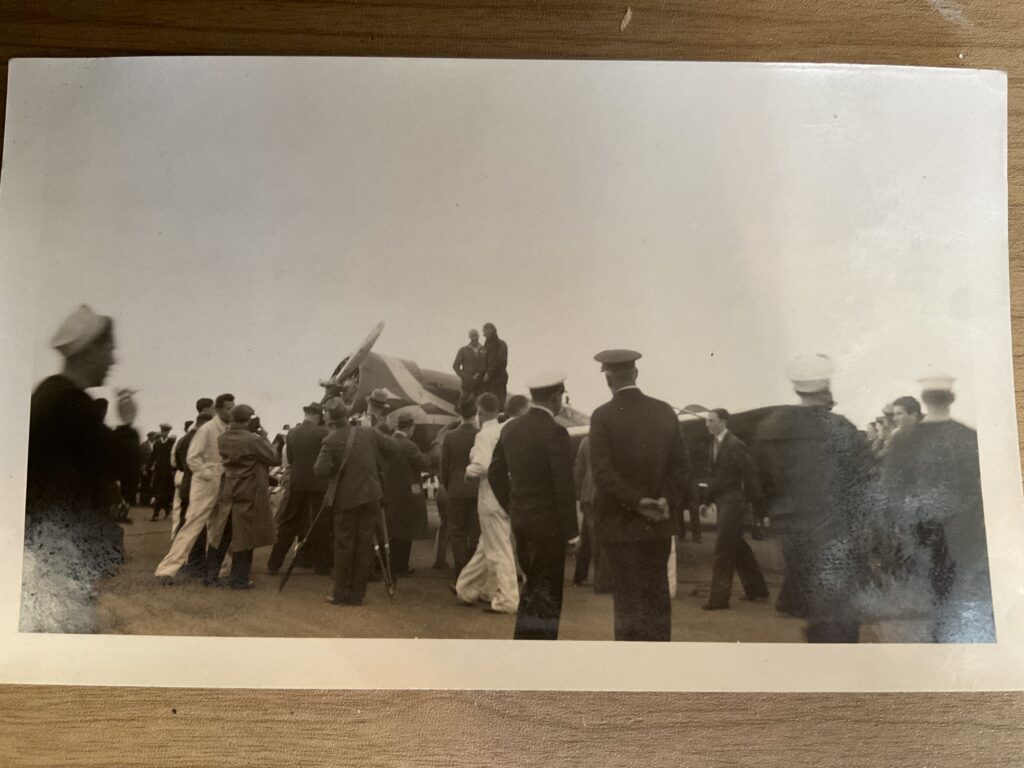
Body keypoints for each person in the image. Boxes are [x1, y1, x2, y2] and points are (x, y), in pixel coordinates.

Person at [22, 305, 138, 632]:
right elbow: (123, 463)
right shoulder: (71, 403)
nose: (113, 360)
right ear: (91, 351)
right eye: (110, 351)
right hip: (63, 548)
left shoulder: (51, 393)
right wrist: (128, 423)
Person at [754, 354, 876, 643]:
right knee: (836, 613)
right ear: (825, 387)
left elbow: (760, 481)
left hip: (791, 531)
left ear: (797, 388)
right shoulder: (841, 428)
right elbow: (866, 479)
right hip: (834, 530)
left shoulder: (770, 427)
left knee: (813, 604)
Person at [884, 377, 994, 642]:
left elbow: (892, 485)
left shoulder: (904, 437)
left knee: (935, 576)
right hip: (964, 520)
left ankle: (941, 629)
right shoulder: (968, 435)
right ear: (951, 398)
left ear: (924, 400)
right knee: (958, 577)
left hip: (923, 521)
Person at [589, 350, 689, 642]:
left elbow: (603, 473)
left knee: (627, 603)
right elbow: (681, 465)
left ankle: (630, 673)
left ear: (608, 379)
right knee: (657, 597)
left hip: (618, 526)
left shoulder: (603, 416)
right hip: (658, 525)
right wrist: (664, 501)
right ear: (636, 374)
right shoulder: (664, 411)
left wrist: (636, 502)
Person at [488, 373, 579, 640]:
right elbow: (564, 484)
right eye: (560, 397)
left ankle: (524, 644)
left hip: (521, 521)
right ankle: (540, 651)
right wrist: (572, 532)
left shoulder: (510, 429)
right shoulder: (555, 432)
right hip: (548, 525)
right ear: (554, 397)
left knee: (531, 585)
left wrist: (512, 507)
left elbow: (495, 474)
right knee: (547, 592)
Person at [315, 397, 397, 605]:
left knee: (344, 545)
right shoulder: (369, 432)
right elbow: (392, 448)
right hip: (371, 496)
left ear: (330, 420)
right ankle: (358, 594)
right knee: (364, 544)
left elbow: (320, 470)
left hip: (347, 499)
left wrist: (339, 472)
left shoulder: (331, 440)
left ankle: (341, 593)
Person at [154, 393, 235, 581]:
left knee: (219, 528)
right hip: (204, 485)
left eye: (233, 408)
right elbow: (192, 458)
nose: (231, 412)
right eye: (229, 408)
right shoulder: (207, 429)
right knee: (192, 527)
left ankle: (222, 570)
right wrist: (209, 473)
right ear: (218, 409)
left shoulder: (227, 429)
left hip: (222, 484)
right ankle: (166, 570)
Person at [456, 393, 520, 613]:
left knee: (497, 549)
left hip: (489, 495)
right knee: (487, 546)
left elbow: (482, 465)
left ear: (480, 412)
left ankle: (508, 599)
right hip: (506, 495)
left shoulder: (485, 434)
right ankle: (469, 589)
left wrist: (468, 471)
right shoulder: (505, 429)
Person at [203, 404, 278, 589]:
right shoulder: (253, 440)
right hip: (249, 491)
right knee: (245, 537)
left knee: (222, 535)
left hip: (229, 489)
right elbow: (273, 457)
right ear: (248, 419)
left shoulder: (223, 438)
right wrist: (264, 436)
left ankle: (210, 576)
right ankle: (239, 580)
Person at [702, 408, 769, 610]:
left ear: (723, 422)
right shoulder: (715, 444)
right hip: (723, 500)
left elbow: (750, 475)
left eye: (711, 421)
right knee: (737, 546)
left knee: (723, 548)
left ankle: (718, 599)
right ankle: (757, 590)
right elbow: (715, 478)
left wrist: (758, 506)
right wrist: (707, 501)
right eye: (707, 421)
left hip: (733, 501)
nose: (707, 425)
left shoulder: (735, 444)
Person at [267, 402, 331, 574]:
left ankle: (274, 563)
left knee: (289, 523)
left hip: (297, 483)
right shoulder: (324, 433)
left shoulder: (293, 433)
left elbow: (291, 458)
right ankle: (322, 566)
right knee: (319, 524)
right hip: (318, 484)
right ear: (319, 416)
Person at [382, 412, 432, 576]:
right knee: (406, 531)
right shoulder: (409, 445)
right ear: (411, 427)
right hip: (408, 494)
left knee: (392, 531)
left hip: (389, 492)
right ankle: (401, 566)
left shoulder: (387, 442)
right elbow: (423, 463)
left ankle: (392, 565)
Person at [440, 399, 480, 578]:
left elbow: (444, 467)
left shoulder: (449, 436)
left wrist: (449, 485)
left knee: (457, 531)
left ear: (459, 414)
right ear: (475, 414)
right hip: (476, 488)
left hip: (456, 488)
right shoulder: (480, 435)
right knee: (475, 531)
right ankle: (473, 572)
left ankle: (461, 571)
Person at [572, 435, 610, 592]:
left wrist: (579, 494)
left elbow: (579, 470)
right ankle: (601, 582)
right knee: (599, 538)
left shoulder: (586, 441)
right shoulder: (611, 440)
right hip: (602, 495)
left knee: (587, 535)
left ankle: (579, 576)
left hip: (587, 495)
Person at [150, 423, 176, 521]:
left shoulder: (172, 443)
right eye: (163, 431)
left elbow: (174, 457)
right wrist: (148, 467)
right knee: (157, 491)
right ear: (161, 432)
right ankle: (164, 509)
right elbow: (153, 456)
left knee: (162, 492)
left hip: (168, 472)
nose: (164, 433)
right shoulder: (157, 443)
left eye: (166, 431)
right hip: (158, 471)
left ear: (168, 432)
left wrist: (174, 468)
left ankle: (157, 513)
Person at [480, 322, 509, 409]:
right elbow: (485, 363)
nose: (483, 335)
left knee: (498, 405)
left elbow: (500, 361)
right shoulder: (485, 346)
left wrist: (489, 373)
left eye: (485, 332)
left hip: (499, 379)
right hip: (488, 381)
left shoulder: (501, 344)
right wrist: (480, 373)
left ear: (491, 331)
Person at [452, 328, 485, 401]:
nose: (474, 338)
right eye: (472, 336)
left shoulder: (485, 350)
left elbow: (488, 365)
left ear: (479, 336)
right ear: (469, 337)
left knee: (478, 403)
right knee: (464, 402)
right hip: (467, 383)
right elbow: (455, 366)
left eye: (476, 336)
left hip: (481, 383)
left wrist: (481, 375)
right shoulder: (463, 350)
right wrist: (465, 376)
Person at [138, 431, 156, 506]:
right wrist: (143, 469)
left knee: (150, 485)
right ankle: (143, 501)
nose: (155, 437)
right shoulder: (144, 445)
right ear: (149, 436)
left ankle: (148, 501)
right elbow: (141, 458)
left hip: (152, 468)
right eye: (153, 436)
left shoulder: (154, 444)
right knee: (144, 484)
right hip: (145, 468)